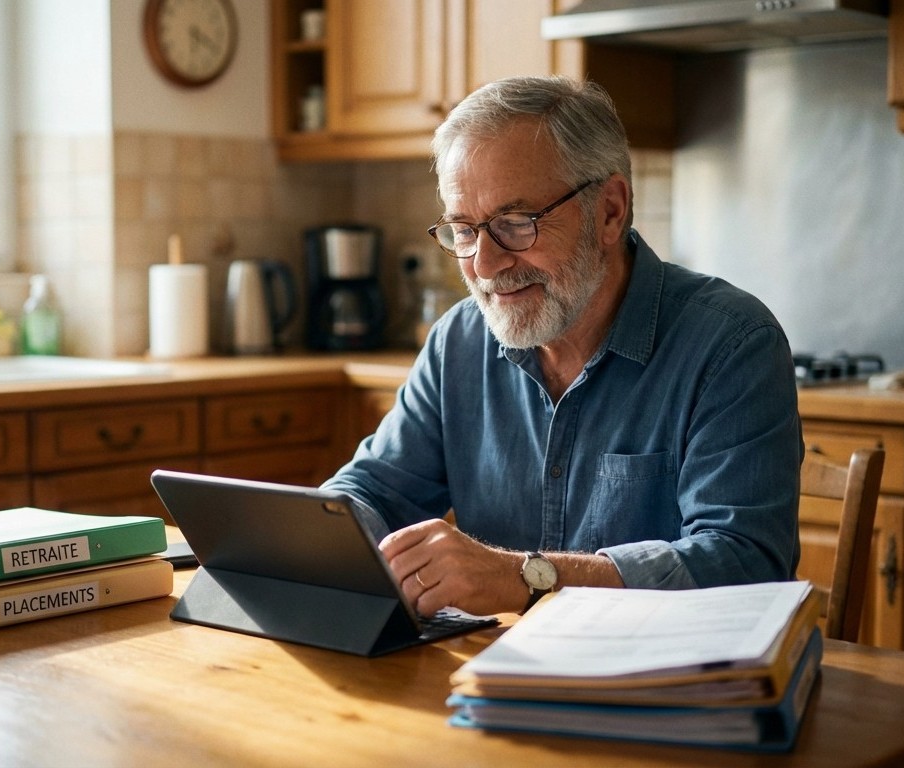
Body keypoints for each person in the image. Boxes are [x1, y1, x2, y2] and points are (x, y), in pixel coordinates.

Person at [322, 75, 803, 618]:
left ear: (610, 211)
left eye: (515, 223)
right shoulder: (458, 342)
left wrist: (524, 580)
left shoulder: (732, 344)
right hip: (496, 680)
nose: (483, 265)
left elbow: (744, 566)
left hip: (666, 685)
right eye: (463, 230)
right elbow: (375, 491)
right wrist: (306, 535)